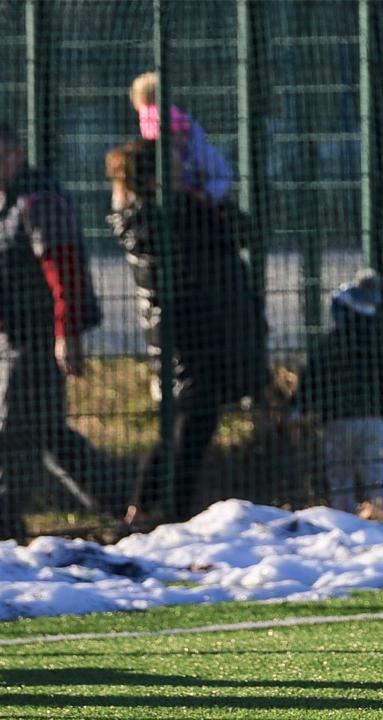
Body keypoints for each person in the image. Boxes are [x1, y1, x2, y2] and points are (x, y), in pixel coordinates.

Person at [104, 139, 269, 528]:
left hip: (193, 330)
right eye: (177, 168)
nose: (186, 171)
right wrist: (212, 203)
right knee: (190, 425)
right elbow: (235, 233)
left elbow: (240, 233)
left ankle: (149, 509)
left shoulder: (168, 212)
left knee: (188, 423)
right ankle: (159, 513)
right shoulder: (166, 216)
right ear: (156, 178)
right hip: (187, 333)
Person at [0, 122, 110, 541]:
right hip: (15, 338)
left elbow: (63, 270)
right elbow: (1, 272)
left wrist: (66, 333)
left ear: (17, 153)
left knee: (9, 432)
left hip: (35, 341)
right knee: (50, 436)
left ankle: (1, 525)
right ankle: (127, 503)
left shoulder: (36, 202)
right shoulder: (3, 205)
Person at [287, 269, 383, 518]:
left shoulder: (330, 345)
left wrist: (297, 408)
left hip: (338, 422)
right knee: (377, 477)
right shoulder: (381, 343)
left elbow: (312, 379)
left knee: (341, 480)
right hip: (374, 420)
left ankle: (344, 526)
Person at [128, 70, 234, 205]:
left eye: (175, 133)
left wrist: (204, 195)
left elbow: (223, 175)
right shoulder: (148, 153)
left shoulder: (198, 150)